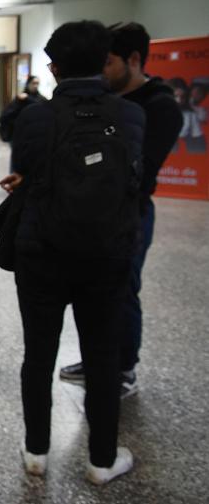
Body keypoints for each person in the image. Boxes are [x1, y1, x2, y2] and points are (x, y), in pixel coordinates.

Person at [1, 20, 145, 485]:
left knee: (38, 355)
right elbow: (138, 184)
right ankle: (102, 460)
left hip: (42, 252)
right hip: (106, 257)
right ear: (105, 62)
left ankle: (36, 452)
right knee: (103, 357)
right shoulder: (131, 117)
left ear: (54, 67)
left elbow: (23, 169)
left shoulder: (33, 118)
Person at [59, 22, 183, 399]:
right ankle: (96, 358)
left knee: (122, 290)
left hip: (128, 215)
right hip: (88, 212)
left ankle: (123, 368)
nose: (101, 72)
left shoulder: (159, 107)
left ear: (134, 59)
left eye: (108, 63)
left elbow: (137, 173)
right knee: (90, 291)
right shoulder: (104, 99)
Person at [0, 76, 46, 143]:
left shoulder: (41, 99)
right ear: (28, 84)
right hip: (19, 134)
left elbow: (42, 107)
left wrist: (28, 98)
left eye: (37, 83)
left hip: (35, 134)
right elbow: (6, 115)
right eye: (33, 83)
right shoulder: (20, 98)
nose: (35, 86)